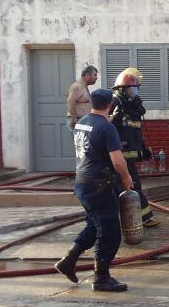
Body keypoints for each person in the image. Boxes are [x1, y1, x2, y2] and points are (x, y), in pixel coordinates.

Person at [55, 88, 134, 292]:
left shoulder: (82, 123)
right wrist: (126, 178)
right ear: (110, 105)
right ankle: (101, 278)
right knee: (109, 232)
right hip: (100, 186)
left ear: (91, 103)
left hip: (82, 183)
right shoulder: (106, 128)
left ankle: (68, 261)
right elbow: (117, 161)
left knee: (94, 226)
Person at [109, 67, 159, 228]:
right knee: (131, 185)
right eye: (133, 88)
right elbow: (105, 125)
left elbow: (135, 130)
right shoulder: (115, 103)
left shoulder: (131, 105)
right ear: (123, 88)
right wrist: (114, 119)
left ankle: (131, 218)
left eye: (137, 88)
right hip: (119, 156)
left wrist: (143, 148)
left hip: (129, 155)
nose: (136, 91)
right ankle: (143, 218)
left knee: (128, 186)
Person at [66, 65, 98, 130]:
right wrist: (74, 120)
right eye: (95, 75)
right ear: (87, 75)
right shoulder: (77, 87)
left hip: (83, 121)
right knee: (80, 140)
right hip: (78, 121)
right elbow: (70, 101)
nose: (96, 78)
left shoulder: (84, 87)